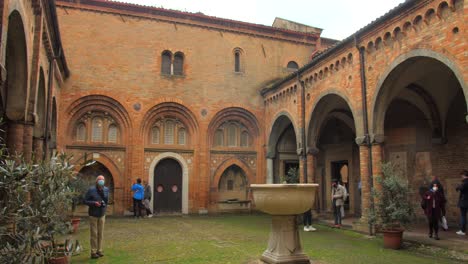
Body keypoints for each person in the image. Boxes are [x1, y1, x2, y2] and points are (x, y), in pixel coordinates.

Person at [84, 175, 109, 259]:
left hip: (102, 214)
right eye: (100, 180)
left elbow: (106, 200)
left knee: (100, 234)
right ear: (96, 181)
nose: (101, 181)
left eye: (103, 180)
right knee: (94, 234)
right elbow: (85, 201)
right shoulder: (91, 190)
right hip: (93, 214)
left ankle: (99, 250)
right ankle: (93, 252)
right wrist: (94, 203)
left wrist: (104, 204)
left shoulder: (106, 189)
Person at [455, 170, 468, 236]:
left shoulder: (464, 183)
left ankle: (463, 231)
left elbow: (458, 188)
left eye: (461, 176)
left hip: (464, 202)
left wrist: (458, 186)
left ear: (464, 175)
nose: (461, 177)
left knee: (463, 216)